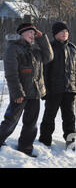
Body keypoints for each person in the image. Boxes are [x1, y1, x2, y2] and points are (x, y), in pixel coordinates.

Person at [0, 23, 53, 157]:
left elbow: (49, 57)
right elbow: (11, 74)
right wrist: (17, 92)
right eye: (29, 32)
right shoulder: (13, 49)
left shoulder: (35, 50)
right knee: (11, 120)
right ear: (21, 34)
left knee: (31, 124)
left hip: (34, 93)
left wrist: (43, 39)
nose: (32, 35)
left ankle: (26, 148)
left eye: (34, 33)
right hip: (20, 93)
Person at [39, 21, 76, 150]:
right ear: (55, 34)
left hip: (69, 90)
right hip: (53, 91)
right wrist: (44, 90)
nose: (64, 33)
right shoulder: (50, 48)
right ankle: (44, 141)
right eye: (61, 31)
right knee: (49, 117)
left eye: (66, 31)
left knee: (69, 118)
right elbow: (44, 72)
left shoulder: (72, 48)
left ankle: (71, 142)